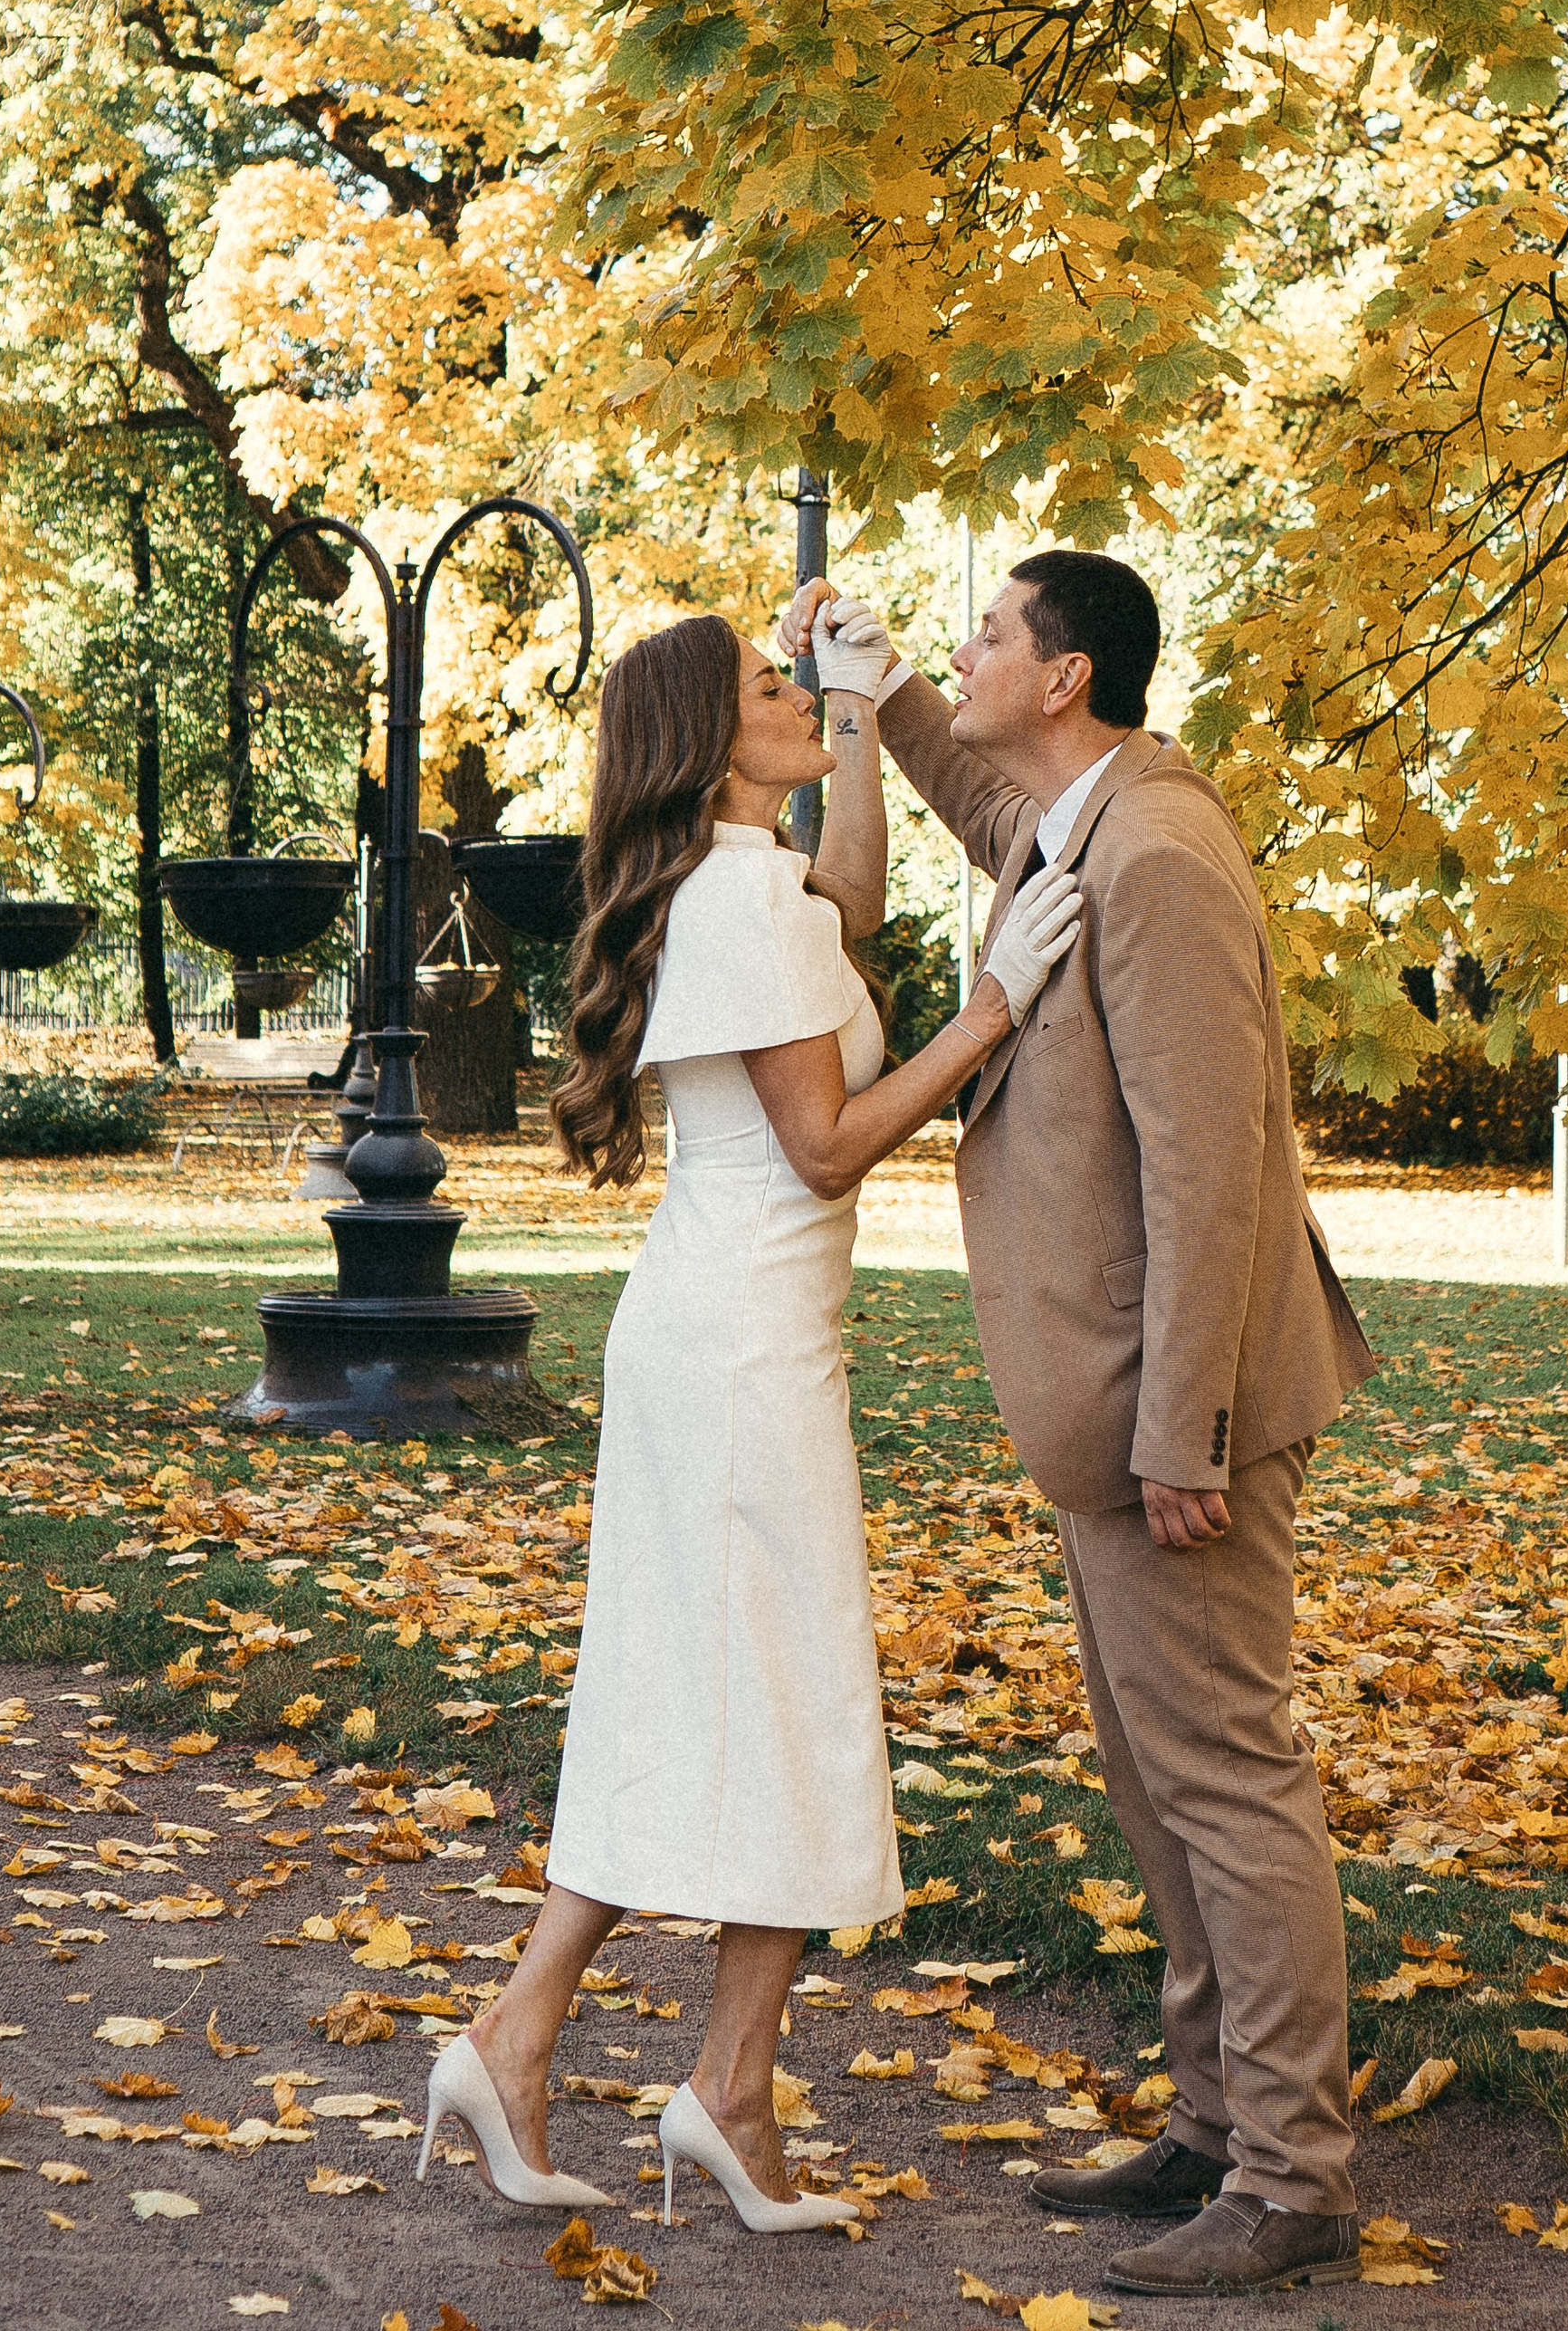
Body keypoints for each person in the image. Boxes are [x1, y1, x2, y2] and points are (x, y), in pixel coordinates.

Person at [417, 610, 1081, 2231]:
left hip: (735, 1334)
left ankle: (569, 2052)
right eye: (772, 689)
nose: (793, 698)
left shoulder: (750, 887)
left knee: (731, 1696)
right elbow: (828, 1144)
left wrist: (857, 706)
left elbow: (850, 900)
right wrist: (995, 1005)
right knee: (785, 1699)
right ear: (710, 747)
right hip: (736, 1354)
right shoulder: (732, 903)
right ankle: (692, 2081)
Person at [783, 551, 1377, 2299]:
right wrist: (882, 684)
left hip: (1172, 1415)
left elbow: (1212, 1170)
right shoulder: (1076, 823)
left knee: (1226, 1780)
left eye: (986, 636)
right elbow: (983, 804)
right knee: (1156, 1774)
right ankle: (1217, 2122)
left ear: (1065, 679)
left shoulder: (1160, 857)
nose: (964, 650)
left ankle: (1292, 2176)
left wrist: (1185, 1426)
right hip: (1114, 1403)